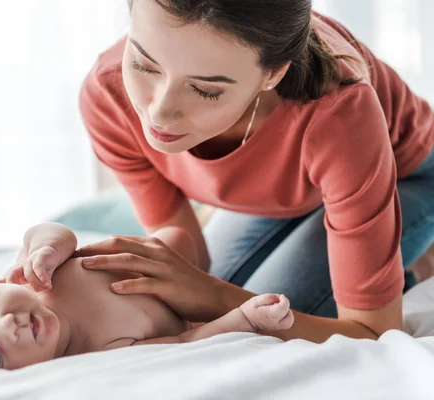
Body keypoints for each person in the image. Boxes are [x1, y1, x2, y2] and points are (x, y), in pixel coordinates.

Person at [74, 0, 434, 342]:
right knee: (214, 296)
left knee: (268, 312)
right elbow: (181, 254)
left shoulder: (338, 114)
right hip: (301, 192)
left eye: (206, 90)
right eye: (143, 64)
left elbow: (371, 333)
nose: (159, 113)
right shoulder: (108, 95)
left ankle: (416, 265)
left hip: (412, 173)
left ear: (274, 74)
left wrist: (212, 295)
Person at [0, 223, 293, 377]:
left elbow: (50, 232)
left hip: (169, 250)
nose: (9, 326)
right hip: (199, 300)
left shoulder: (34, 277)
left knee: (175, 235)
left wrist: (46, 247)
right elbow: (183, 344)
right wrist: (242, 319)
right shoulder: (94, 355)